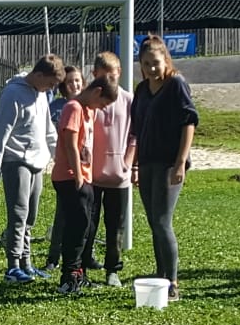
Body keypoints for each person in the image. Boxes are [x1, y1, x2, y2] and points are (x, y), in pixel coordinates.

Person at [0, 55, 64, 284]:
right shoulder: (12, 93)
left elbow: (48, 130)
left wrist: (61, 157)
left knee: (30, 216)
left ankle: (26, 264)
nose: (51, 89)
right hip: (16, 160)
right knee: (18, 215)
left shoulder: (41, 94)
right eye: (50, 84)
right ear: (38, 75)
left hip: (37, 163)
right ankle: (12, 267)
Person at [130, 35, 197, 300]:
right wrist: (135, 165)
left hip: (169, 163)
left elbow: (188, 122)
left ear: (166, 60)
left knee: (162, 221)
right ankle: (160, 275)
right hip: (147, 162)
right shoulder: (141, 90)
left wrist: (180, 162)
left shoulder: (176, 84)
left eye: (156, 63)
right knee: (153, 222)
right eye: (146, 64)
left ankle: (172, 282)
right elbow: (138, 130)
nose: (151, 68)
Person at [51, 76, 120, 295]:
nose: (102, 108)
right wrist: (78, 175)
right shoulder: (73, 108)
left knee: (85, 227)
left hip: (85, 177)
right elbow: (70, 144)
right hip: (70, 177)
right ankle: (68, 278)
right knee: (76, 227)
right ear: (97, 92)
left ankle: (79, 273)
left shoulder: (88, 110)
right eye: (103, 103)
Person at [88, 51, 135, 288]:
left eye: (112, 76)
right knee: (88, 223)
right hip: (91, 176)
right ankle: (83, 263)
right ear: (94, 74)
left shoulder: (128, 100)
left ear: (119, 74)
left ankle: (112, 269)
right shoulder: (89, 101)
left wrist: (128, 162)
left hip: (118, 176)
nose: (108, 81)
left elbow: (135, 134)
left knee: (116, 226)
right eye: (102, 76)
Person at [42, 65, 85, 274]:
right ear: (62, 86)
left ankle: (84, 257)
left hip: (85, 169)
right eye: (70, 82)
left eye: (77, 80)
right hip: (64, 170)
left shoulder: (89, 106)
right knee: (62, 215)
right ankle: (53, 256)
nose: (74, 85)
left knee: (85, 217)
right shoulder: (57, 107)